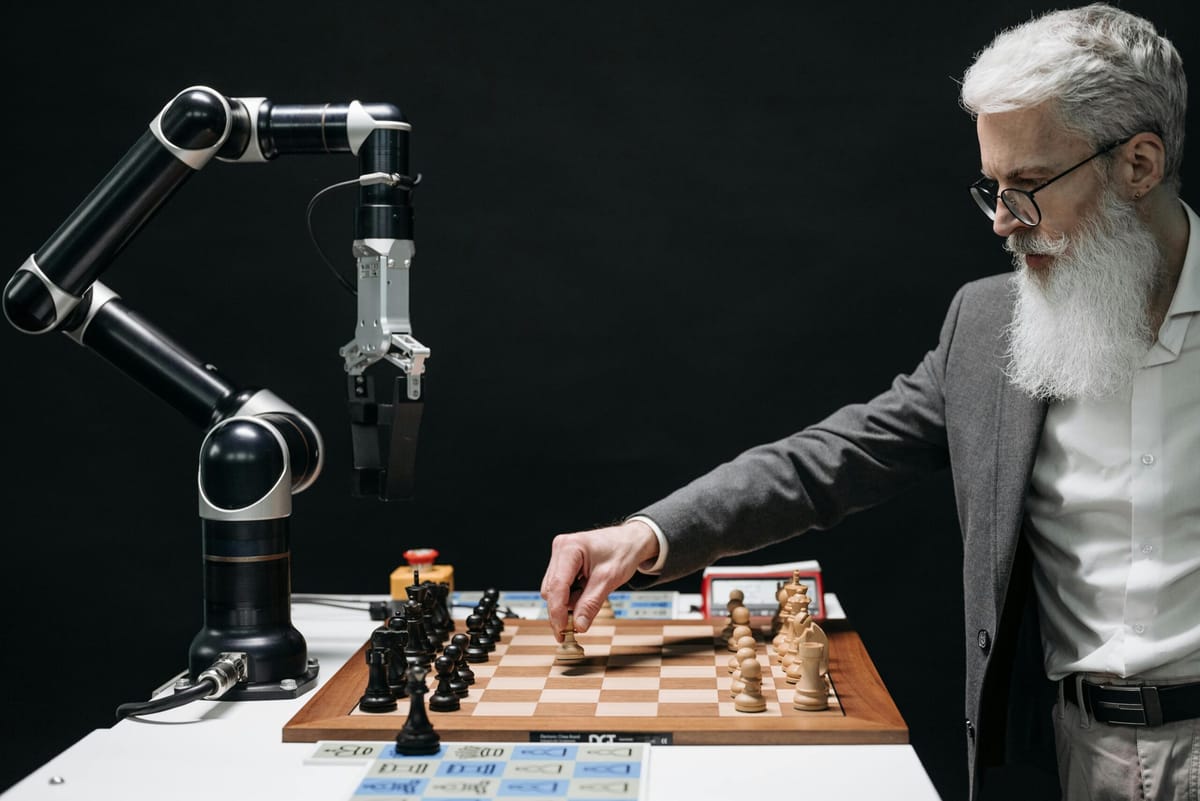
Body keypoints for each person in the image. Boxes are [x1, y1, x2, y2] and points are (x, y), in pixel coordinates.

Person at [539, 5, 1194, 800]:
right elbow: (834, 459)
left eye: (1027, 188)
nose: (1000, 223)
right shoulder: (988, 324)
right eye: (990, 188)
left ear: (1140, 164)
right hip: (1068, 756)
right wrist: (644, 534)